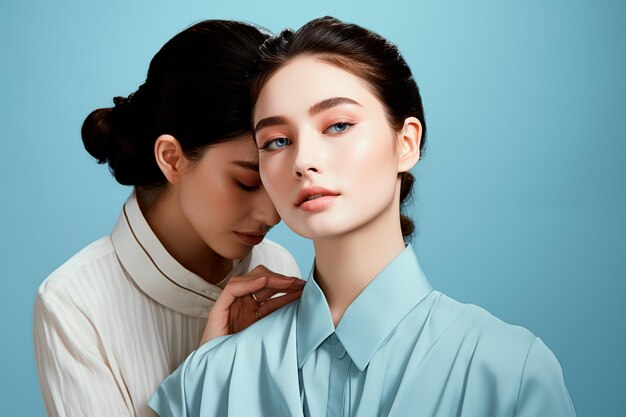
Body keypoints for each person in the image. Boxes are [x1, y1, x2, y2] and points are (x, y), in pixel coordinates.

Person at [149, 16, 577, 417]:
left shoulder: (508, 372)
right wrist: (208, 375)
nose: (304, 160)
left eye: (337, 126)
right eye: (277, 141)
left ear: (406, 143)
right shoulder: (212, 378)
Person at [33, 20, 305, 417]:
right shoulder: (74, 303)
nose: (273, 214)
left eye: (277, 179)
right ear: (171, 158)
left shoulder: (276, 266)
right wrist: (206, 376)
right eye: (247, 182)